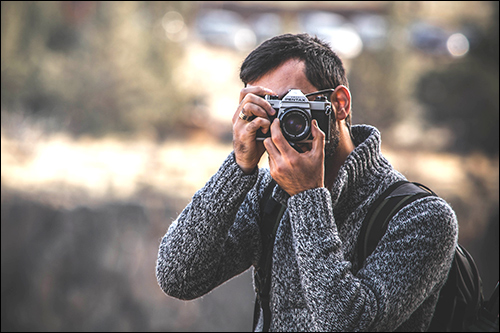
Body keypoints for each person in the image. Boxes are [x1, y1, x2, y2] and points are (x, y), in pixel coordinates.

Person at [156, 33, 458, 331]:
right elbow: (179, 277)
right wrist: (237, 167)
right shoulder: (267, 193)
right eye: (266, 108)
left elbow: (347, 325)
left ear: (339, 104)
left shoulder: (422, 217)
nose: (281, 123)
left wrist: (307, 197)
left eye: (293, 105)